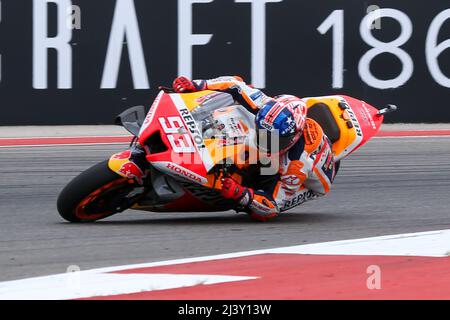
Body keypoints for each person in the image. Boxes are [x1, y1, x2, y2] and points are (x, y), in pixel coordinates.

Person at [172, 75, 337, 221]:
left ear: (292, 138)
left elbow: (273, 205)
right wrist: (198, 85)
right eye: (262, 133)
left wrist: (242, 194)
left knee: (253, 208)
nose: (264, 141)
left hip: (306, 183)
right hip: (282, 139)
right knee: (237, 116)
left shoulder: (296, 166)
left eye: (272, 139)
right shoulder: (265, 106)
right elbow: (235, 84)